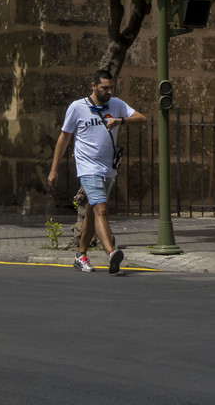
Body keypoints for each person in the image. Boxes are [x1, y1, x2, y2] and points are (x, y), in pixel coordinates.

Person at [47, 68, 148, 275]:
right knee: (101, 209)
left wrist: (121, 121)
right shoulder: (77, 108)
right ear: (93, 86)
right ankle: (111, 253)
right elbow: (64, 138)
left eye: (111, 87)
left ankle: (80, 255)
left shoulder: (117, 104)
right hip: (87, 167)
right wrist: (53, 169)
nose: (109, 91)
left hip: (108, 168)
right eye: (104, 88)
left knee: (93, 213)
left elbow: (142, 118)